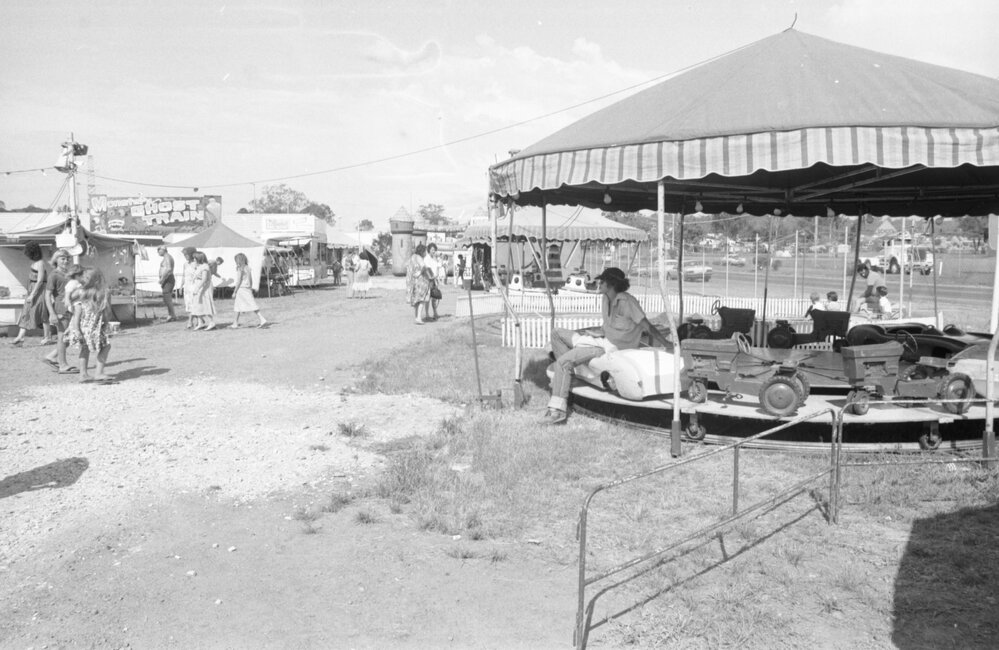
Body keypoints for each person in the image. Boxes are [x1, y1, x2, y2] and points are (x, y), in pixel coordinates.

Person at [543, 267, 671, 425]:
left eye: (601, 281)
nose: (598, 283)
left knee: (563, 363)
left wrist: (666, 344)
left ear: (610, 284)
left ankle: (557, 411)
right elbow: (609, 326)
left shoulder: (628, 302)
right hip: (602, 340)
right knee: (556, 333)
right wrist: (594, 333)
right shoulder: (605, 298)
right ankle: (567, 380)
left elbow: (648, 326)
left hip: (611, 350)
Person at [67, 268, 115, 382]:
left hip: (83, 328)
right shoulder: (102, 295)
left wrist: (76, 329)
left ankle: (83, 374)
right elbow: (106, 313)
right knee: (106, 346)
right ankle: (99, 372)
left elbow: (76, 315)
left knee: (85, 349)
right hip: (94, 328)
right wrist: (106, 324)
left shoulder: (81, 296)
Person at [10, 242, 51, 346]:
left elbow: (40, 280)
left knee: (42, 313)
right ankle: (21, 336)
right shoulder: (35, 263)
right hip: (33, 290)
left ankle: (47, 337)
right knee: (26, 311)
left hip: (39, 291)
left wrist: (32, 294)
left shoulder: (40, 263)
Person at [43, 249, 74, 373]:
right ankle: (63, 365)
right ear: (56, 260)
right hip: (61, 308)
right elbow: (47, 295)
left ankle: (51, 356)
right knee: (63, 337)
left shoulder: (68, 274)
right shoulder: (54, 275)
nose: (65, 261)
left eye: (67, 258)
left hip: (70, 308)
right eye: (62, 258)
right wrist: (52, 313)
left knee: (71, 337)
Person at [230, 253, 268, 329]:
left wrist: (234, 291)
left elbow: (239, 281)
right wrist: (250, 287)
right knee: (240, 305)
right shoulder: (247, 267)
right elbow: (250, 279)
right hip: (247, 288)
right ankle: (235, 322)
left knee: (249, 304)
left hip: (241, 289)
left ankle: (262, 319)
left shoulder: (240, 268)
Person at [190, 251, 217, 331]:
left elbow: (204, 279)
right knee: (197, 304)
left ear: (199, 258)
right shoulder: (199, 266)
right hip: (198, 286)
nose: (193, 260)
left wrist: (198, 288)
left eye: (195, 258)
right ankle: (200, 322)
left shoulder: (205, 266)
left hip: (204, 288)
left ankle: (211, 322)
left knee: (205, 304)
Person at [406, 243, 431, 324]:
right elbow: (423, 267)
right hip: (421, 280)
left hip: (413, 281)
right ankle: (419, 318)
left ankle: (416, 317)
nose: (426, 253)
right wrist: (420, 272)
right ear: (422, 251)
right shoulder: (419, 258)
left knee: (416, 300)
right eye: (425, 251)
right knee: (421, 299)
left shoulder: (412, 257)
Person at [157, 245, 177, 322]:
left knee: (167, 297)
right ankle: (171, 314)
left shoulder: (167, 257)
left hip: (168, 279)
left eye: (158, 250)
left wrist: (162, 278)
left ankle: (172, 315)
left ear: (163, 250)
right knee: (166, 298)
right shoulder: (166, 257)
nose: (158, 252)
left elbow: (169, 269)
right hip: (167, 279)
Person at [424, 243, 443, 320]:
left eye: (434, 249)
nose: (433, 251)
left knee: (435, 297)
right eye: (432, 249)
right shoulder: (426, 258)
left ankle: (435, 312)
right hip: (429, 280)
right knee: (428, 297)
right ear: (429, 250)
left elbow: (439, 266)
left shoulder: (435, 258)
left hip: (435, 279)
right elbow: (427, 269)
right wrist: (432, 277)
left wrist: (439, 258)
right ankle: (427, 314)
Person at [181, 247, 198, 329]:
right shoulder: (185, 264)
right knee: (188, 304)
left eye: (186, 254)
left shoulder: (196, 263)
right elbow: (183, 275)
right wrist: (181, 285)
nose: (185, 256)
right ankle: (191, 320)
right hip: (187, 286)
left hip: (194, 285)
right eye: (184, 255)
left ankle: (193, 321)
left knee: (194, 303)